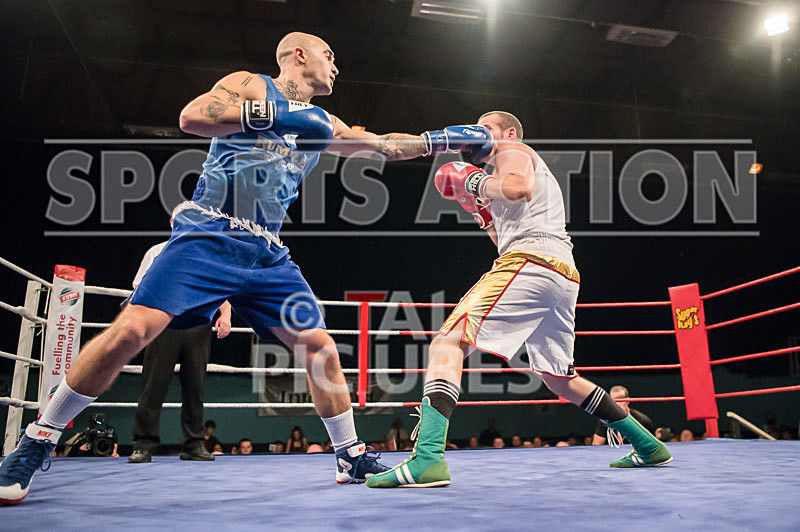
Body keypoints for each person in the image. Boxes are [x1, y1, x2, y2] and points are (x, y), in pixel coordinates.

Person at [0, 31, 493, 503]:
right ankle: (38, 439)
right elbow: (194, 116)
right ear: (298, 55)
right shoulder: (252, 85)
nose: (336, 66)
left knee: (320, 347)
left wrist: (443, 139)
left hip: (266, 253)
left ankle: (349, 455)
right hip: (209, 233)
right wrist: (278, 115)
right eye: (328, 55)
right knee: (131, 331)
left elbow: (383, 145)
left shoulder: (326, 121)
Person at [367, 111, 671, 488]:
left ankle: (427, 458)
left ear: (509, 133)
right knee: (560, 379)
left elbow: (517, 189)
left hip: (532, 261)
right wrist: (480, 211)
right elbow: (504, 235)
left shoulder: (513, 151)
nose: (477, 133)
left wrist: (473, 180)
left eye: (486, 128)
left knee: (447, 341)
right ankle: (648, 445)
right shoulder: (503, 173)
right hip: (561, 271)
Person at [127, 217, 232, 463]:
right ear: (173, 222)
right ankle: (142, 445)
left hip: (198, 324)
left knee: (195, 387)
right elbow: (139, 289)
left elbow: (221, 290)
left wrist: (226, 315)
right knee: (153, 386)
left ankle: (194, 445)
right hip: (164, 324)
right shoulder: (157, 252)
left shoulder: (207, 254)